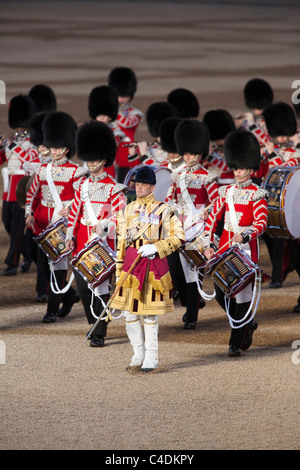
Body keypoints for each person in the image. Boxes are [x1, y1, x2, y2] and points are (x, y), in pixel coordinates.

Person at [110, 166, 185, 372]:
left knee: (150, 316)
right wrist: (119, 275)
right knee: (130, 314)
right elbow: (121, 245)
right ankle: (138, 354)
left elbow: (179, 237)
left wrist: (157, 247)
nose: (140, 188)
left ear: (152, 187)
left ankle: (151, 358)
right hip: (130, 267)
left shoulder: (164, 210)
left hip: (152, 266)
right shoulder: (126, 210)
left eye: (144, 185)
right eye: (137, 185)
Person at [203, 128, 268, 357]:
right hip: (223, 249)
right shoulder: (225, 192)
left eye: (242, 168)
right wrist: (209, 244)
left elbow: (261, 222)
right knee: (223, 294)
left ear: (250, 168)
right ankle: (246, 324)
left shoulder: (257, 194)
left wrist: (247, 234)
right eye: (236, 167)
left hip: (245, 251)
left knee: (241, 296)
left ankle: (235, 342)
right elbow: (212, 221)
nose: (238, 171)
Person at [65, 121, 127, 347]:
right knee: (82, 286)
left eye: (95, 159)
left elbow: (120, 216)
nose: (91, 163)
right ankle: (96, 322)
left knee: (100, 286)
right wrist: (69, 235)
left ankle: (99, 332)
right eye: (89, 159)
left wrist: (105, 227)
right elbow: (74, 212)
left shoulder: (115, 188)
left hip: (103, 241)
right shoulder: (80, 186)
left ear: (104, 160)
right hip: (82, 239)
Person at [25, 111, 87, 323]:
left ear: (66, 149)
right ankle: (69, 296)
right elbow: (31, 192)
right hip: (42, 223)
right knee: (43, 264)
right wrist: (29, 213)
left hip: (62, 224)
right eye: (52, 147)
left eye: (58, 147)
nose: (55, 151)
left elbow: (81, 196)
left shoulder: (76, 171)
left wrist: (69, 207)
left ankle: (52, 310)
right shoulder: (43, 169)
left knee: (58, 266)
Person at [165, 119, 219, 329]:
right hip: (180, 225)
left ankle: (192, 316)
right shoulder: (176, 176)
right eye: (185, 153)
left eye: (190, 153)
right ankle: (190, 303)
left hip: (198, 228)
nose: (187, 157)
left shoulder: (208, 178)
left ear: (199, 153)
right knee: (175, 269)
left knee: (193, 273)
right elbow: (170, 198)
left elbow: (216, 203)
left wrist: (206, 212)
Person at [0, 94, 38, 276]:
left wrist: (14, 146)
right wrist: (1, 147)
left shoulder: (33, 142)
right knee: (7, 223)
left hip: (22, 189)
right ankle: (29, 255)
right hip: (8, 190)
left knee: (16, 230)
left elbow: (31, 158)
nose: (21, 128)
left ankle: (12, 264)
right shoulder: (10, 140)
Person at [108, 66, 144, 183]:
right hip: (114, 150)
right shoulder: (111, 112)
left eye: (124, 96)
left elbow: (126, 123)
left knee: (126, 182)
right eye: (119, 96)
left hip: (127, 152)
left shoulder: (136, 113)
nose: (121, 99)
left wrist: (114, 110)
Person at [88, 85, 130, 179]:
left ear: (110, 116)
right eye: (99, 115)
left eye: (105, 115)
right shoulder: (88, 130)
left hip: (108, 172)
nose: (102, 118)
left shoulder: (116, 133)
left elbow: (108, 147)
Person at [127, 101, 177, 167]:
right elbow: (141, 173)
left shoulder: (175, 151)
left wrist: (145, 155)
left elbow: (163, 171)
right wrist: (133, 155)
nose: (160, 139)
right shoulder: (152, 149)